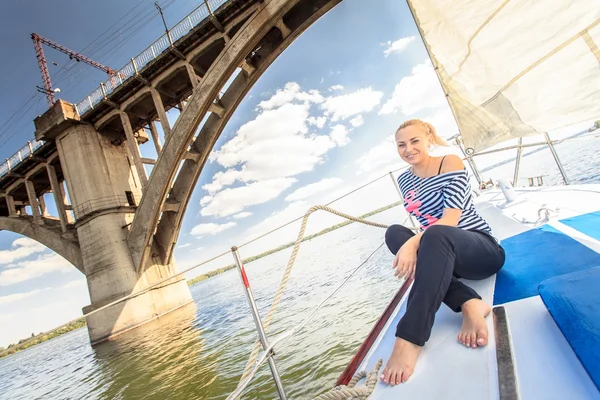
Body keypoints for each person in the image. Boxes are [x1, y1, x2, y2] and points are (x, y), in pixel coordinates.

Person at [380, 119, 506, 386]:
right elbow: (425, 221)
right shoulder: (404, 180)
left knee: (430, 235)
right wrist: (411, 241)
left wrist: (414, 243)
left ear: (428, 138)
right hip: (442, 253)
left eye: (414, 141)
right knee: (394, 233)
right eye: (401, 145)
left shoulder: (449, 162)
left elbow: (449, 219)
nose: (408, 149)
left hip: (479, 249)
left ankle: (409, 339)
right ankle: (469, 302)